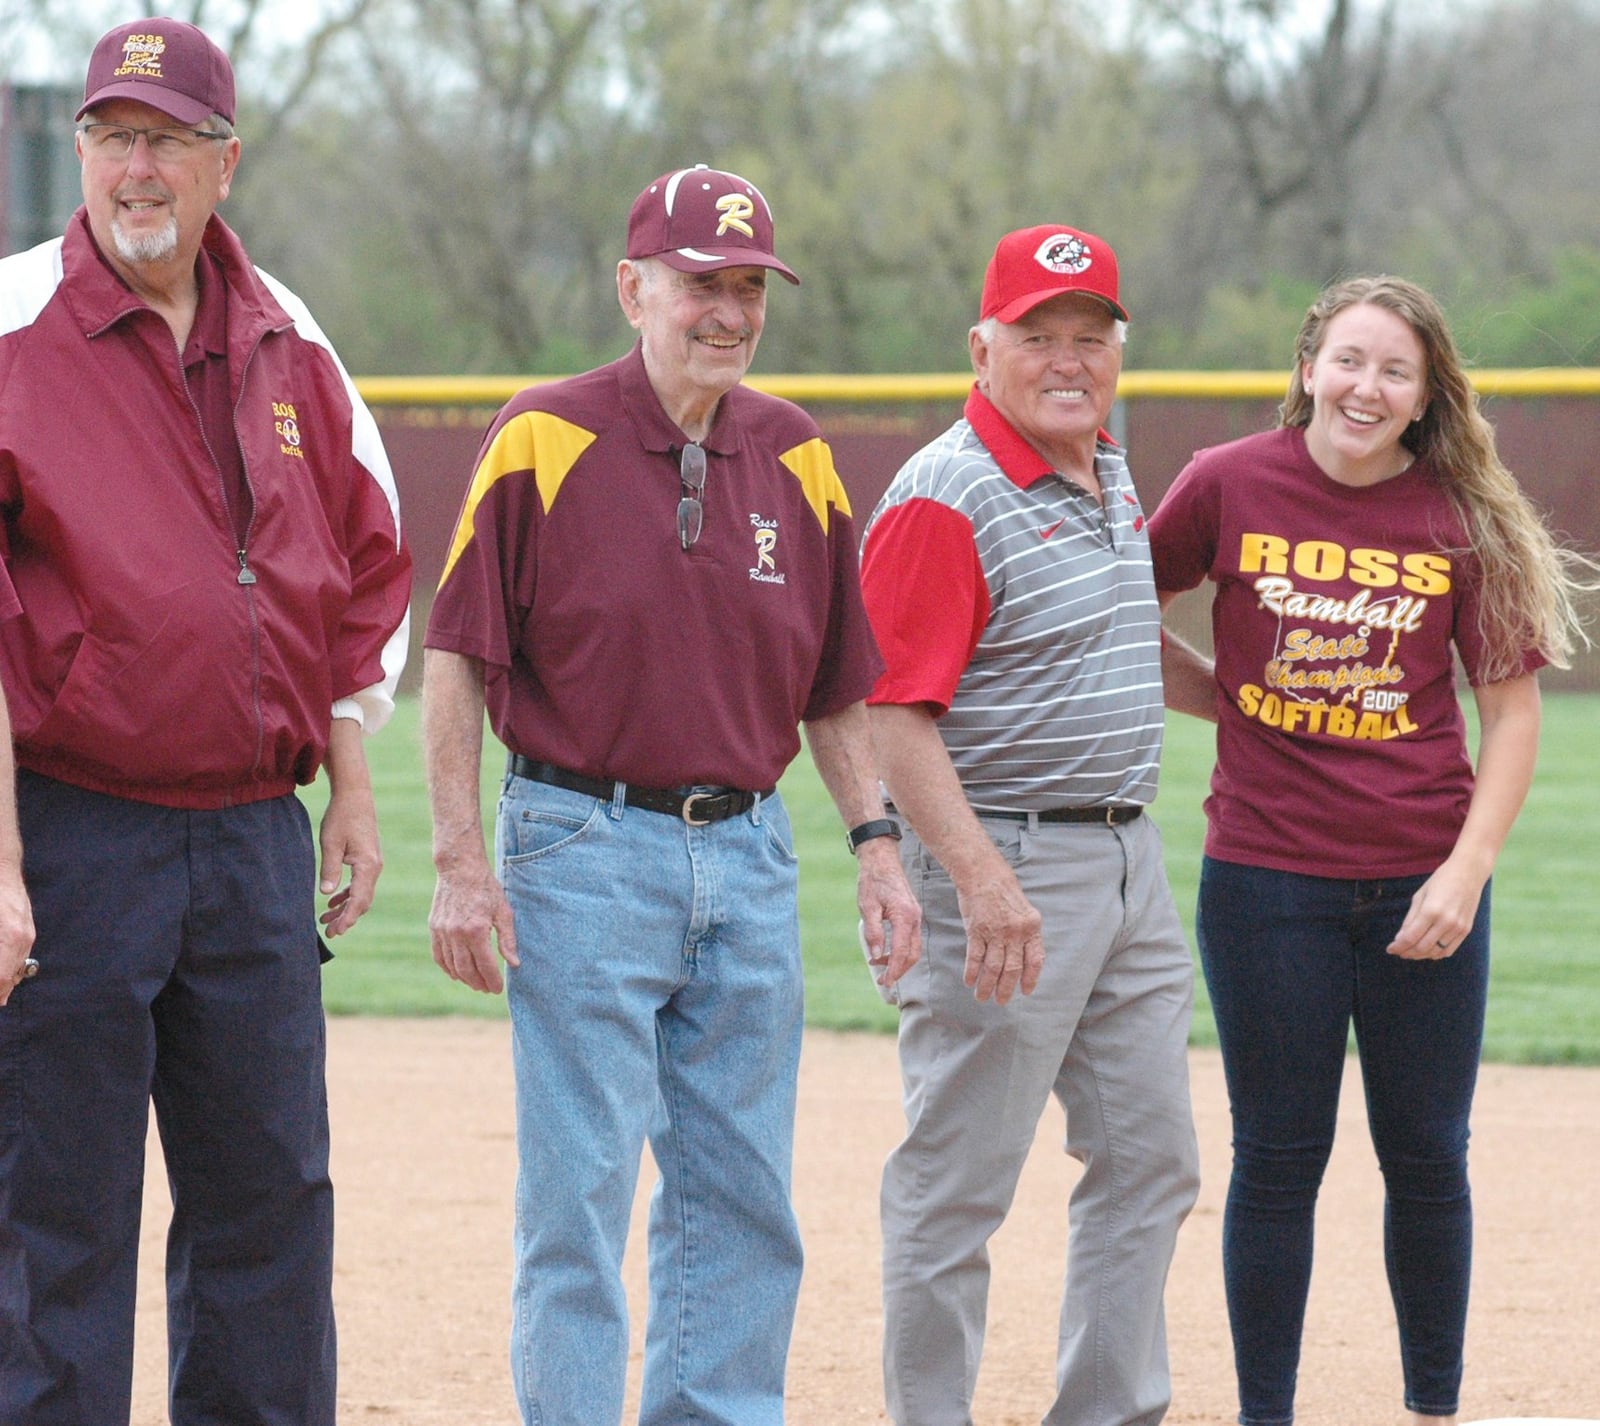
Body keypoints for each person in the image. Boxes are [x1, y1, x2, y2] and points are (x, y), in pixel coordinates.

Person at [421, 162, 922, 1426]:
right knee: (578, 1198)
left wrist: (873, 843)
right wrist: (459, 860)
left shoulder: (798, 454)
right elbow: (458, 655)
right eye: (702, 282)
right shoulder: (545, 431)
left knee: (742, 1191)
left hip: (746, 854)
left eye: (749, 287)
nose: (728, 311)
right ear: (633, 286)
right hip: (580, 842)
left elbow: (835, 686)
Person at [0, 17, 412, 1424]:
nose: (138, 167)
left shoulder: (290, 337)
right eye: (115, 136)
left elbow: (358, 568)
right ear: (80, 152)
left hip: (250, 835)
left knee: (270, 1202)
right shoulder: (10, 331)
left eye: (169, 139)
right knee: (54, 1209)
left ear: (224, 162)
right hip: (73, 831)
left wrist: (349, 784)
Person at [1147, 274, 1598, 1426]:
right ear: (1307, 367)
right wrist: (1228, 701)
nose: (1366, 386)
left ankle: (1430, 1408)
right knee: (1278, 1158)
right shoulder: (1227, 481)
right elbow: (1118, 609)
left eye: (1394, 370)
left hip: (1421, 879)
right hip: (1266, 881)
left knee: (1427, 1157)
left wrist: (1465, 869)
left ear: (1422, 395)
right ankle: (1266, 1414)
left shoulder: (1457, 511)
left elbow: (1511, 712)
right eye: (1348, 360)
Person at [857, 224, 1204, 1426]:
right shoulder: (946, 495)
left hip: (1127, 866)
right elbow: (892, 715)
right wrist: (984, 878)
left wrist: (1243, 698)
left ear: (1118, 349)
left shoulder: (1105, 463)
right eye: (1037, 336)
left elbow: (1107, 640)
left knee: (1151, 1159)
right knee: (957, 1184)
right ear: (981, 345)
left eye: (1089, 336)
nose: (1068, 359)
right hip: (1004, 862)